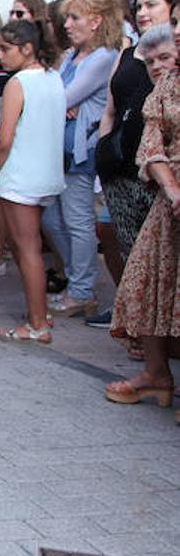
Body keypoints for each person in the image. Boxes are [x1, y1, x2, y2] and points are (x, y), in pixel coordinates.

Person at [91, 0, 180, 332]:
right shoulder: (130, 52)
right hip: (126, 165)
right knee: (123, 244)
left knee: (160, 265)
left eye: (152, 6)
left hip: (158, 177)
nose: (142, 12)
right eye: (138, 6)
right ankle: (137, 330)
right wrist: (104, 148)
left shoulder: (173, 64)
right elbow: (112, 108)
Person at [43, 0, 123, 318]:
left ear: (96, 22)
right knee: (51, 217)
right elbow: (55, 97)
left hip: (79, 152)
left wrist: (63, 103)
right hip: (57, 148)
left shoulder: (103, 57)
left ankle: (82, 291)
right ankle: (77, 281)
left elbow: (58, 98)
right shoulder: (72, 56)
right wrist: (62, 103)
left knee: (77, 221)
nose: (67, 24)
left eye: (75, 18)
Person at [105, 52, 179, 410]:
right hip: (169, 201)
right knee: (143, 281)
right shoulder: (167, 83)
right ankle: (156, 374)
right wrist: (172, 188)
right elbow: (151, 146)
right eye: (177, 21)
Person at [0, 20, 67, 344]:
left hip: (19, 174)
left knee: (27, 250)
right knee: (31, 248)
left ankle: (37, 324)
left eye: (5, 49)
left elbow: (5, 139)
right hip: (47, 172)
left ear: (27, 48)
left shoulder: (18, 83)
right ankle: (40, 315)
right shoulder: (53, 78)